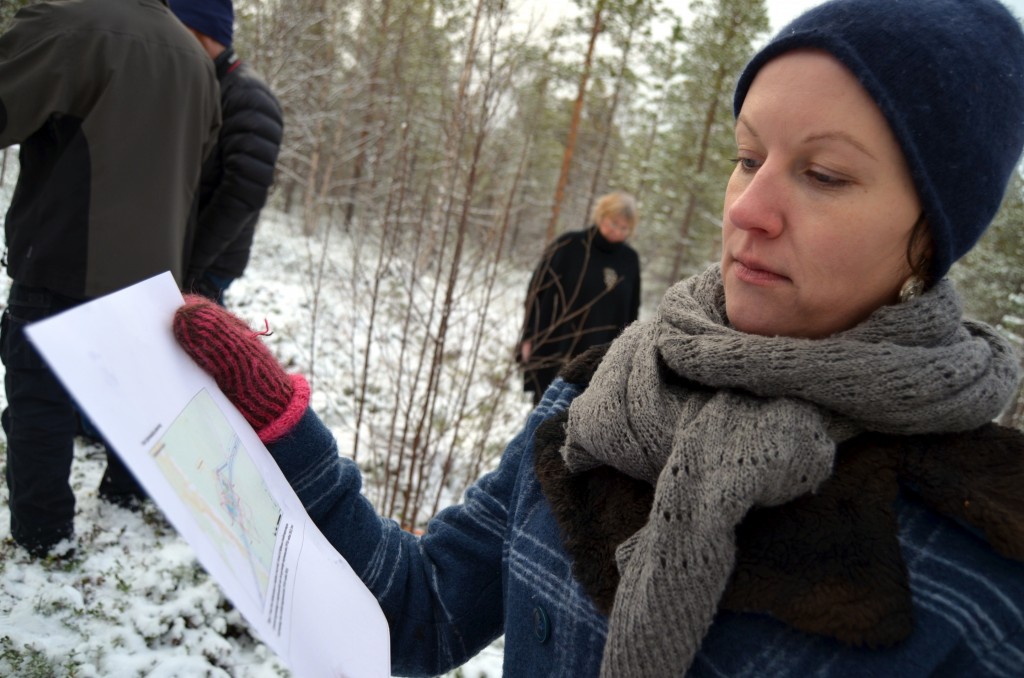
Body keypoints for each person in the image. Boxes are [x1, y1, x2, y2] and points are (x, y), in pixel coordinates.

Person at [173, 0, 1024, 675]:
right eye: (746, 156)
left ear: (931, 235)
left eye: (824, 174)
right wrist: (284, 433)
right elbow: (415, 616)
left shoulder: (982, 567)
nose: (748, 210)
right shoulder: (597, 401)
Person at [0, 0, 220, 557]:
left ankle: (44, 538)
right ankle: (114, 501)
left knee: (40, 401)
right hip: (152, 275)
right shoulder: (194, 61)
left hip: (64, 258)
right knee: (123, 398)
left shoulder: (69, 25)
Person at [169, 0, 284, 306]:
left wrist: (189, 270)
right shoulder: (210, 84)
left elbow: (244, 194)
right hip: (184, 263)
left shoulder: (249, 97)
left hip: (205, 270)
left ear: (197, 31)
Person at [519, 191, 641, 405]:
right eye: (613, 224)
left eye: (624, 228)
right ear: (601, 216)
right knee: (544, 415)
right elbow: (536, 291)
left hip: (598, 362)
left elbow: (631, 312)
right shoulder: (569, 246)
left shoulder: (630, 261)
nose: (617, 232)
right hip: (556, 349)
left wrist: (623, 358)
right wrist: (529, 335)